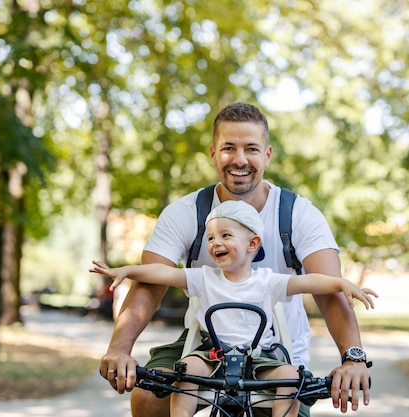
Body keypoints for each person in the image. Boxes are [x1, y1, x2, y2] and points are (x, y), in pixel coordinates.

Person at [99, 102, 373, 417]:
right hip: (203, 345)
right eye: (229, 148)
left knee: (287, 404)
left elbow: (330, 292)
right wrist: (119, 350)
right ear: (213, 153)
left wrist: (353, 359)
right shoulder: (186, 212)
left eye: (251, 149)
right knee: (147, 399)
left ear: (267, 155)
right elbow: (149, 283)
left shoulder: (298, 214)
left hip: (277, 353)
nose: (240, 159)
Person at [91, 200, 377, 417]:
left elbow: (308, 281)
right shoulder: (203, 277)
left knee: (290, 375)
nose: (216, 243)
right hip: (211, 353)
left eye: (226, 236)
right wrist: (128, 269)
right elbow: (162, 274)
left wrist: (340, 284)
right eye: (212, 238)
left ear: (253, 243)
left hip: (259, 358)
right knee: (186, 368)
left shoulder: (268, 281)